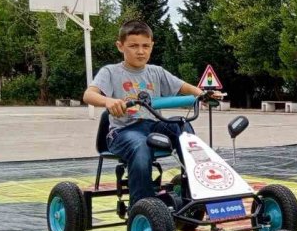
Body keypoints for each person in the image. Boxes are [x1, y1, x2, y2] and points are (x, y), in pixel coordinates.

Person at [83, 20, 213, 205]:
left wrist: (202, 94)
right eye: (133, 46)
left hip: (154, 125)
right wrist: (108, 101)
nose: (140, 51)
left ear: (152, 46)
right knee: (141, 146)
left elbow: (183, 86)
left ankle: (197, 188)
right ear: (120, 46)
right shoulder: (111, 72)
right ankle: (142, 206)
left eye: (145, 46)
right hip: (123, 131)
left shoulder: (156, 72)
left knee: (182, 127)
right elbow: (89, 95)